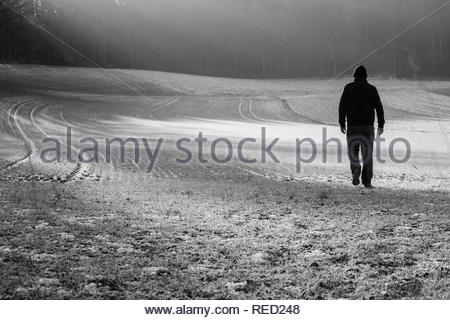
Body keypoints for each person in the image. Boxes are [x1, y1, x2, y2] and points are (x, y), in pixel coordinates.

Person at [339, 65, 385, 188]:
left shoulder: (348, 88)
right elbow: (379, 108)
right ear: (366, 76)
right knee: (367, 155)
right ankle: (367, 181)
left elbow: (342, 106)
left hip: (353, 126)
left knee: (353, 151)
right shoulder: (372, 89)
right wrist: (381, 124)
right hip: (367, 127)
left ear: (354, 75)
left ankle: (356, 170)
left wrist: (341, 122)